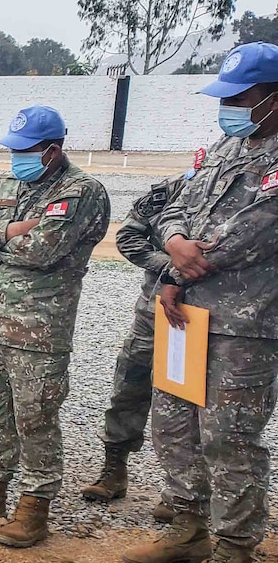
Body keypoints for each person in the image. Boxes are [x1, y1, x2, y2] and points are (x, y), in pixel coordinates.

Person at [129, 42, 278, 563]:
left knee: (229, 437)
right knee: (174, 422)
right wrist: (172, 247)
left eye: (242, 97)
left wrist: (188, 260)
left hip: (245, 324)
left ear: (273, 96)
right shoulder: (226, 147)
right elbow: (176, 203)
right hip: (185, 311)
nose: (231, 107)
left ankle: (235, 551)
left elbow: (256, 228)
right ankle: (188, 527)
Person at [0, 106, 110, 547]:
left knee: (35, 418)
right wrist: (13, 228)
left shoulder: (81, 190)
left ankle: (34, 506)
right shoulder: (8, 183)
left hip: (39, 331)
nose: (15, 158)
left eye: (25, 151)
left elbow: (41, 251)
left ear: (51, 151)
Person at [80, 163, 198, 520]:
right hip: (154, 312)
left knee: (190, 401)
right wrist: (174, 265)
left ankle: (181, 491)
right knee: (129, 387)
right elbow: (129, 236)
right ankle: (114, 469)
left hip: (211, 318)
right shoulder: (172, 189)